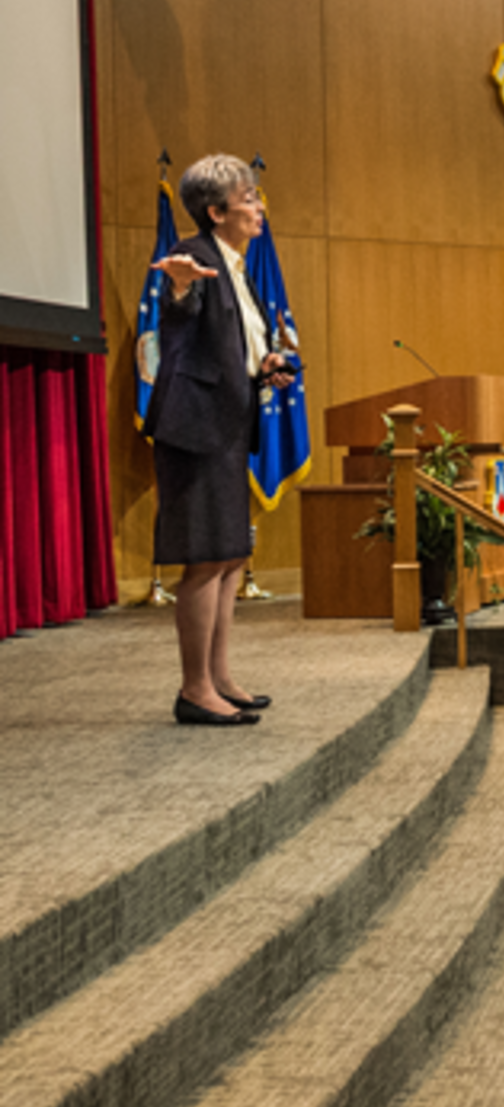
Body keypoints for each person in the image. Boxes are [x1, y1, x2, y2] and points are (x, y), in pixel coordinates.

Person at [145, 153, 298, 727]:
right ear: (216, 211)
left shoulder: (237, 265)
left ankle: (220, 677)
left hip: (228, 424)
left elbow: (234, 348)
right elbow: (181, 314)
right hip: (196, 430)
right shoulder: (197, 258)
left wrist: (268, 365)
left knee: (231, 556)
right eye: (249, 199)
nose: (259, 207)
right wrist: (180, 291)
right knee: (206, 560)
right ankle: (193, 689)